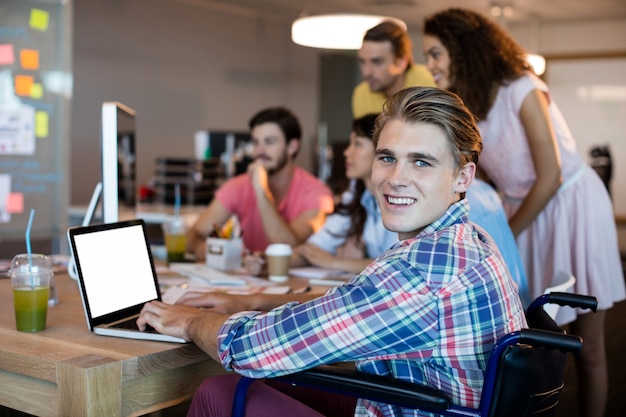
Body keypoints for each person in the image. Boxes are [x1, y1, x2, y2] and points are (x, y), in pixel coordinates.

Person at [137, 87, 527, 417]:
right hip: (421, 402)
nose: (395, 179)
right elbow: (355, 301)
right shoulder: (468, 240)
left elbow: (250, 348)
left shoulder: (418, 274)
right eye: (387, 157)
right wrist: (251, 298)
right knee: (264, 380)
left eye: (421, 162)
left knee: (219, 393)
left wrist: (187, 321)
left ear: (463, 176)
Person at [422, 8, 626, 417]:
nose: (429, 66)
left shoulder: (523, 88)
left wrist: (503, 234)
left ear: (463, 50)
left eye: (435, 54)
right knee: (537, 337)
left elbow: (548, 176)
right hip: (525, 211)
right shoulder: (472, 104)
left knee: (588, 345)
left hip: (569, 205)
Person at [187, 107, 334, 259]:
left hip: (297, 280)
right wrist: (206, 250)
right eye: (256, 142)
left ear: (292, 147)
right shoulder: (238, 186)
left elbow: (286, 248)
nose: (259, 151)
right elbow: (194, 234)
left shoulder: (317, 193)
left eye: (269, 142)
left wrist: (261, 189)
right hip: (249, 279)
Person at [291, 113, 398, 274]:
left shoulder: (400, 196)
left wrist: (333, 262)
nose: (346, 152)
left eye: (357, 144)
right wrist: (265, 262)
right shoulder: (358, 194)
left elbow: (397, 263)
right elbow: (315, 247)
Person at [352, 20, 435, 119]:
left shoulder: (431, 81)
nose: (366, 72)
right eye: (362, 62)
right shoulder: (361, 95)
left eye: (377, 62)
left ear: (400, 63)